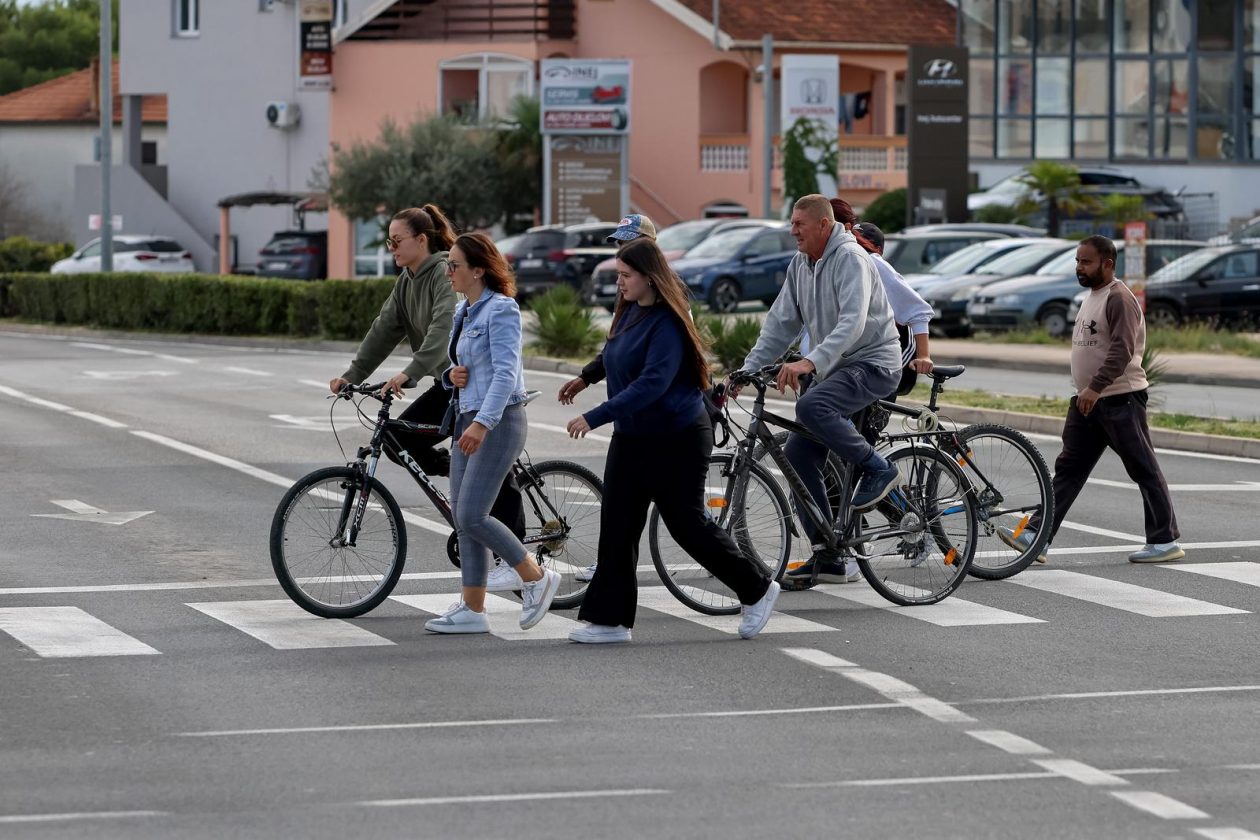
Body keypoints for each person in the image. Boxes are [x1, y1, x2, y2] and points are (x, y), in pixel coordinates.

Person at [564, 237, 779, 643]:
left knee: (687, 526)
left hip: (676, 437)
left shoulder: (669, 324)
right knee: (617, 526)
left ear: (649, 277)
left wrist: (595, 416)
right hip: (633, 437)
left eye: (626, 276)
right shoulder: (629, 312)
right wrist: (586, 376)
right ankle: (610, 622)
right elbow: (614, 355)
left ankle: (758, 588)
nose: (620, 283)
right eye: (619, 275)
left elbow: (652, 384)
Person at [329, 206, 525, 595]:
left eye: (396, 241)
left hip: (453, 383)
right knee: (401, 440)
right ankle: (475, 587)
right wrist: (352, 376)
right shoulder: (406, 280)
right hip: (448, 381)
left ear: (422, 240)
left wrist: (409, 373)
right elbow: (383, 330)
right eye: (388, 242)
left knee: (459, 465)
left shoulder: (441, 273)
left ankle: (514, 554)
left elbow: (440, 330)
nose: (391, 248)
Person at [733, 194, 903, 588]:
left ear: (824, 225)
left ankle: (880, 469)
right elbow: (780, 323)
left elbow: (853, 322)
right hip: (838, 367)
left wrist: (810, 362)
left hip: (873, 363)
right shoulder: (802, 264)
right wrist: (746, 370)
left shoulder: (851, 258)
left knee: (811, 406)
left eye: (799, 224)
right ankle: (829, 557)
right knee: (798, 458)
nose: (792, 231)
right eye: (792, 224)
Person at [1000, 235, 1184, 565]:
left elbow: (1122, 350)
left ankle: (1164, 540)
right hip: (1089, 401)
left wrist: (1095, 387)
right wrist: (1087, 391)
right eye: (1077, 261)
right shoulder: (1091, 296)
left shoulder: (1119, 298)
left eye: (1086, 262)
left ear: (1108, 263)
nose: (1079, 267)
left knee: (1143, 468)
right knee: (1068, 469)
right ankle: (1038, 537)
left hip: (1119, 399)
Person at [424, 233, 561, 634]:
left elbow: (506, 373)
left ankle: (534, 576)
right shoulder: (462, 312)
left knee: (472, 514)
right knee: (462, 519)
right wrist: (451, 375)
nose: (448, 271)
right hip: (466, 417)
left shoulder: (501, 310)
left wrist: (483, 424)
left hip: (498, 422)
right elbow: (460, 369)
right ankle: (472, 608)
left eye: (454, 265)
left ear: (478, 269)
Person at [556, 213, 658, 584]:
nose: (620, 250)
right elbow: (615, 347)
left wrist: (597, 414)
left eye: (628, 243)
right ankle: (612, 567)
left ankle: (747, 579)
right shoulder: (629, 291)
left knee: (685, 517)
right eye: (618, 243)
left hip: (659, 421)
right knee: (620, 505)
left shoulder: (664, 300)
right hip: (632, 420)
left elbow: (657, 374)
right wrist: (586, 377)